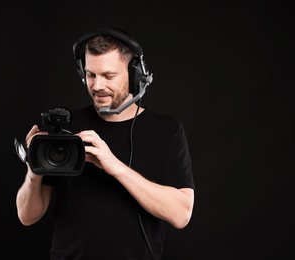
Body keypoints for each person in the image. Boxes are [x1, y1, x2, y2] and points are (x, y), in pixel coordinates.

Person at [15, 28, 195, 260]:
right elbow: (27, 216)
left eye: (109, 76)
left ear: (135, 75)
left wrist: (114, 166)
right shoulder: (66, 127)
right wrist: (34, 168)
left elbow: (181, 215)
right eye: (90, 75)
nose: (97, 86)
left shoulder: (167, 131)